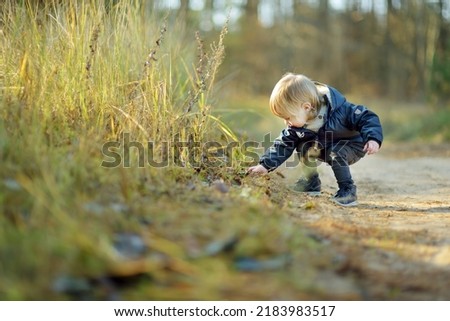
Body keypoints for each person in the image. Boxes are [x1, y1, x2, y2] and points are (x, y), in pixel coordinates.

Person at [247, 73, 383, 206]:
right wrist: (264, 165)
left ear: (306, 107)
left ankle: (347, 190)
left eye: (288, 117)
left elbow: (366, 117)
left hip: (352, 145)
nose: (286, 122)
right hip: (325, 145)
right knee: (303, 146)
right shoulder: (296, 126)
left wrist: (372, 138)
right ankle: (311, 182)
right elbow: (282, 145)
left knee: (336, 152)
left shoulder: (341, 111)